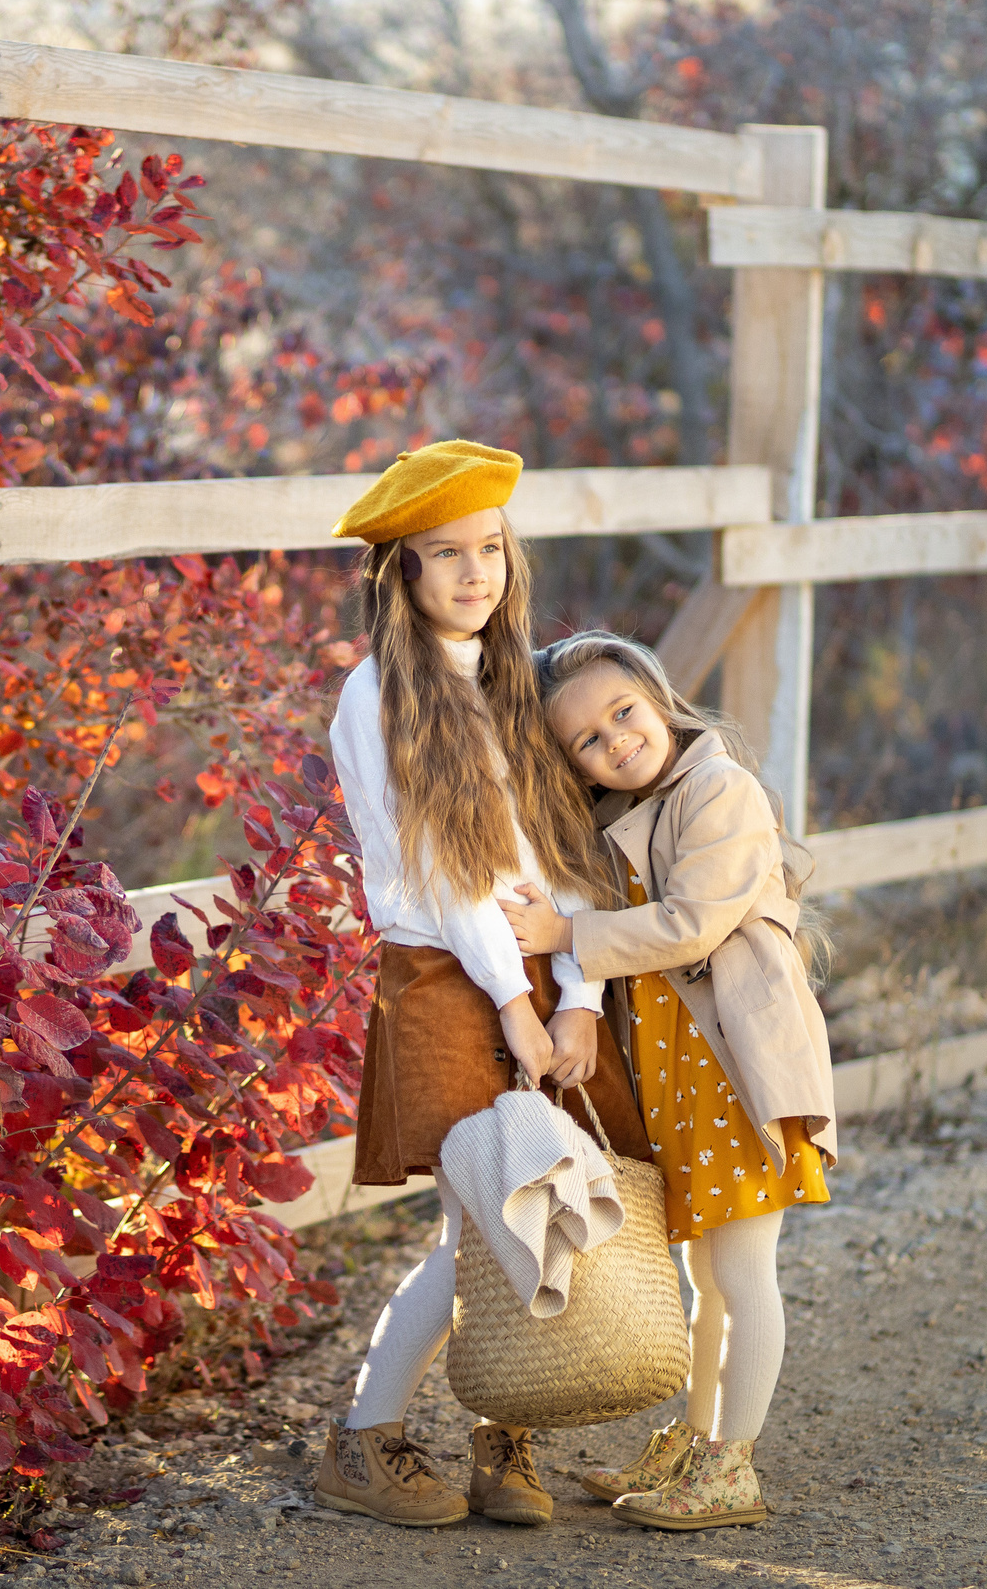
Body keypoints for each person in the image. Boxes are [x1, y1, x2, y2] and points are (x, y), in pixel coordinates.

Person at [314, 442, 648, 1530]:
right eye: (444, 554)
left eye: (490, 549)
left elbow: (564, 856)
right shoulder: (379, 694)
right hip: (447, 981)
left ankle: (508, 1441)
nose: (474, 573)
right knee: (480, 1222)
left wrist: (579, 998)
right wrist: (515, 1002)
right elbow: (446, 872)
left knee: (534, 1211)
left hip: (545, 985)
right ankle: (363, 1440)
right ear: (399, 573)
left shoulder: (519, 680)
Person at [498, 629, 837, 1531]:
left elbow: (690, 923)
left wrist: (566, 937)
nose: (615, 739)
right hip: (686, 1070)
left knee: (743, 1265)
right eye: (588, 740)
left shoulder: (718, 789)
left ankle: (735, 1464)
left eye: (623, 712)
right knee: (705, 1273)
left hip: (738, 1063)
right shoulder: (624, 812)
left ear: (659, 698)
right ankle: (697, 1439)